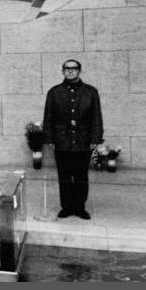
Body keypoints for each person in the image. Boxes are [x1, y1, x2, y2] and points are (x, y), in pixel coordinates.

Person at [43, 59, 103, 220]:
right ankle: (67, 207)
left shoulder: (90, 92)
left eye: (74, 68)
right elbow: (48, 117)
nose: (70, 71)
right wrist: (49, 138)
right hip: (61, 140)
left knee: (81, 175)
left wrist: (95, 138)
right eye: (67, 68)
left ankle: (80, 207)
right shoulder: (54, 92)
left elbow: (96, 117)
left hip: (83, 140)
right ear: (63, 71)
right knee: (64, 175)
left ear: (79, 71)